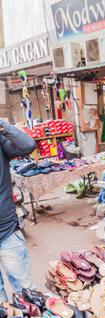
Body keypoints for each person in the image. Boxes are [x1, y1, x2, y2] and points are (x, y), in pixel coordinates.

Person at [0, 119, 37, 302]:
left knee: (27, 293)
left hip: (7, 231)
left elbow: (28, 146)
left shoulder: (1, 141)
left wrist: (2, 124)